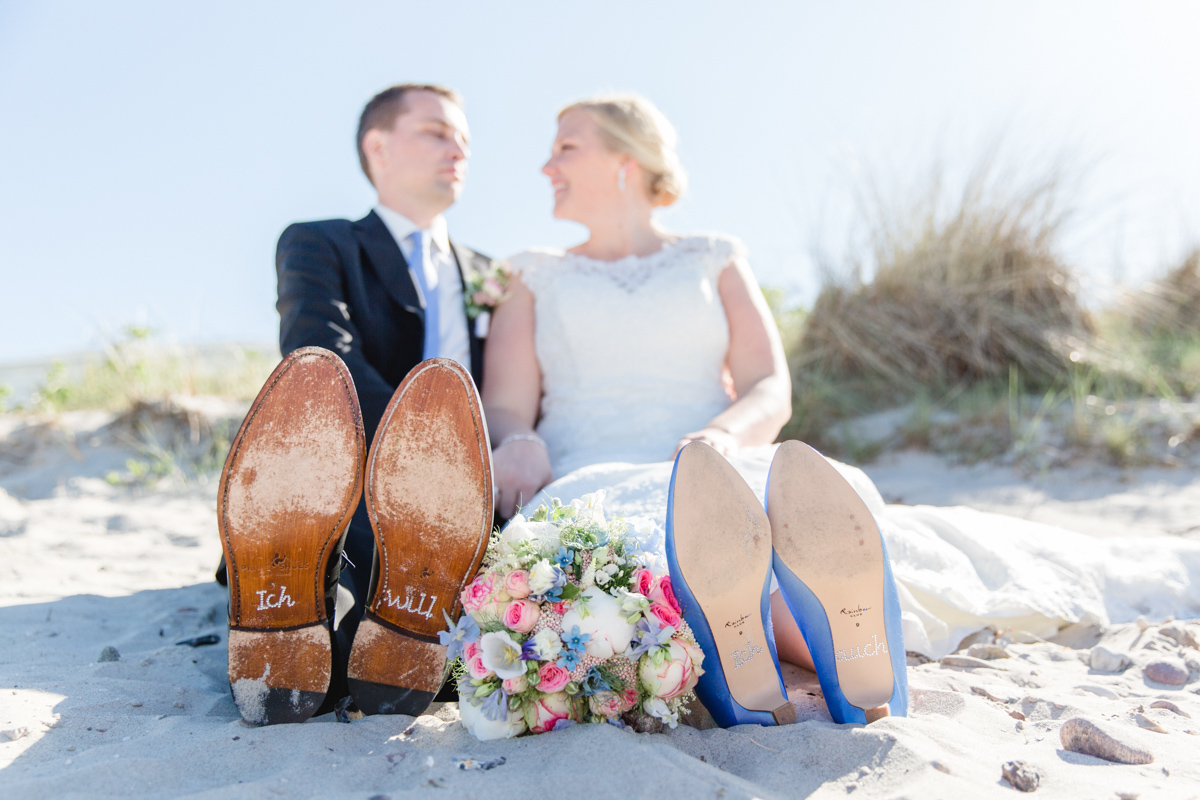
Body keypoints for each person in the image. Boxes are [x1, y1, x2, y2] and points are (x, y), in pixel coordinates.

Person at [480, 94, 1200, 725]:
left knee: (776, 521)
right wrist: (516, 441)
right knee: (642, 553)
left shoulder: (713, 256)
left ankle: (784, 648)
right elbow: (508, 405)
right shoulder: (533, 274)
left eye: (565, 147)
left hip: (721, 458)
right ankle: (827, 653)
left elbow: (769, 384)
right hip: (590, 465)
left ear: (626, 159)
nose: (546, 166)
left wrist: (724, 436)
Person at [218, 83, 497, 724]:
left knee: (451, 555)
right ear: (378, 146)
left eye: (465, 140)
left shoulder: (491, 273)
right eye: (436, 131)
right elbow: (320, 360)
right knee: (349, 542)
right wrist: (423, 451)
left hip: (464, 493)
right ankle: (291, 622)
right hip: (343, 471)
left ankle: (340, 651)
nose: (457, 148)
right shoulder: (320, 243)